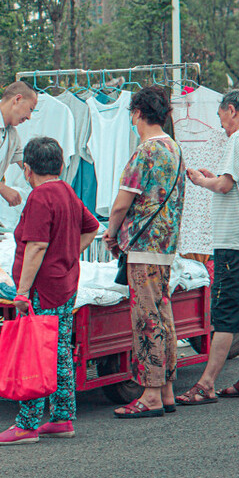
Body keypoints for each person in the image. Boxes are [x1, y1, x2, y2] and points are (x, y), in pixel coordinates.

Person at [0, 137, 99, 445]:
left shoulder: (40, 197)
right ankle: (62, 418)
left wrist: (22, 292)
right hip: (65, 283)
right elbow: (91, 228)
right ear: (61, 165)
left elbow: (36, 245)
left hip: (43, 288)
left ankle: (27, 424)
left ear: (27, 169)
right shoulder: (66, 191)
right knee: (59, 350)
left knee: (36, 351)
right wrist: (67, 255)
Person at [178, 89, 239, 405]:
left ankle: (206, 383)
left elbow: (224, 185)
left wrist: (201, 181)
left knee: (226, 314)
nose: (222, 125)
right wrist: (214, 177)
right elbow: (234, 183)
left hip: (235, 241)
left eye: (221, 118)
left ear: (231, 110)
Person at [103, 86, 184, 418]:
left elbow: (121, 204)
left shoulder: (146, 151)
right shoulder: (174, 148)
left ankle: (150, 394)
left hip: (143, 246)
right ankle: (166, 390)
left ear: (137, 113)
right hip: (165, 246)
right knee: (163, 315)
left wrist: (111, 234)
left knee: (145, 319)